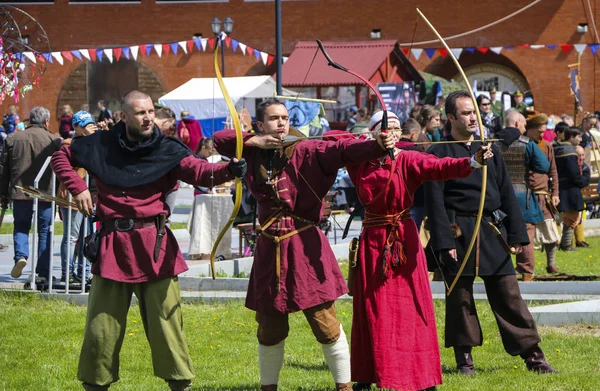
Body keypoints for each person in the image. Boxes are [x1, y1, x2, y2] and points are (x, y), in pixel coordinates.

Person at [50, 90, 247, 391]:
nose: (148, 118)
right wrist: (78, 187)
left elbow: (201, 172)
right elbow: (60, 155)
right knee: (101, 330)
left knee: (167, 327)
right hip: (113, 246)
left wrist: (229, 170)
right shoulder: (100, 144)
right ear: (123, 117)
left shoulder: (167, 148)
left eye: (151, 112)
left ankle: (180, 385)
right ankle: (95, 385)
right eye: (140, 113)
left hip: (155, 246)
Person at [213, 98, 395, 391]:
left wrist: (377, 144)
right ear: (260, 124)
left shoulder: (306, 149)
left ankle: (344, 387)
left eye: (285, 117)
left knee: (325, 324)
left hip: (304, 247)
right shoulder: (249, 149)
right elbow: (219, 139)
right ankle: (268, 387)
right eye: (274, 118)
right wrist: (253, 139)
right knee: (269, 328)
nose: (282, 123)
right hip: (269, 249)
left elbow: (342, 149)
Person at [346, 110, 491, 391]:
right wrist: (371, 144)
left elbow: (440, 167)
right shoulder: (359, 162)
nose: (395, 133)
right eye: (388, 128)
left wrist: (472, 161)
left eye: (399, 128)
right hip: (373, 241)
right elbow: (332, 141)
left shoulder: (408, 158)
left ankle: (420, 376)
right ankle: (367, 374)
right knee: (371, 308)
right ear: (375, 132)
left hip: (402, 239)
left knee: (410, 306)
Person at [424, 90, 556, 376]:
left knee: (509, 294)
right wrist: (444, 241)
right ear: (450, 117)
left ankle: (533, 356)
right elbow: (434, 204)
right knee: (459, 298)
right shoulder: (438, 153)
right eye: (466, 113)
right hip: (458, 232)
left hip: (489, 230)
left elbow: (506, 193)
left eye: (475, 112)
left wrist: (517, 235)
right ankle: (464, 360)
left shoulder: (489, 149)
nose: (474, 118)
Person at [1, 107, 62, 282]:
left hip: (20, 191)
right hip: (45, 193)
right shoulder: (53, 140)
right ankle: (42, 272)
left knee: (20, 226)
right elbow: (60, 170)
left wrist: (3, 193)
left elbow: (3, 169)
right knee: (45, 231)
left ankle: (21, 256)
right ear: (46, 121)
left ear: (30, 120)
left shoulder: (13, 138)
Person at [496, 110, 553, 281]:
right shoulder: (527, 143)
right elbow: (543, 166)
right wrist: (527, 166)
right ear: (516, 124)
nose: (524, 128)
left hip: (497, 194)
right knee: (526, 232)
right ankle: (526, 271)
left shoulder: (492, 143)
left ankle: (500, 270)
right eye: (523, 124)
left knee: (498, 231)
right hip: (522, 195)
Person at [516, 113, 560, 275]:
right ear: (530, 129)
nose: (541, 135)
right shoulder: (520, 144)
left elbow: (553, 170)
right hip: (526, 195)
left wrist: (555, 192)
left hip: (543, 195)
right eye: (539, 131)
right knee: (526, 233)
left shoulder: (547, 146)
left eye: (543, 131)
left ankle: (551, 264)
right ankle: (525, 267)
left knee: (550, 231)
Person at [58, 111, 98, 284]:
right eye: (84, 125)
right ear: (75, 127)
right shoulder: (70, 145)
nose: (89, 128)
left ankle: (84, 272)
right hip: (73, 198)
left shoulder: (94, 143)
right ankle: (67, 273)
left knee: (88, 236)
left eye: (91, 124)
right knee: (72, 236)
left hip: (91, 196)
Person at [554, 127, 589, 251]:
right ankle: (567, 244)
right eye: (578, 137)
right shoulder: (569, 150)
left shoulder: (558, 148)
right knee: (571, 217)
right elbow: (574, 174)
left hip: (562, 187)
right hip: (570, 188)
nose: (580, 139)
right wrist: (584, 180)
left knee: (568, 217)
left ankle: (565, 243)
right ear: (572, 137)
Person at [574, 145, 592, 248]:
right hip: (568, 194)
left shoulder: (585, 167)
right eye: (578, 155)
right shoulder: (570, 166)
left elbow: (584, 181)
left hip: (578, 194)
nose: (581, 157)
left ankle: (580, 240)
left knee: (579, 216)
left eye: (582, 155)